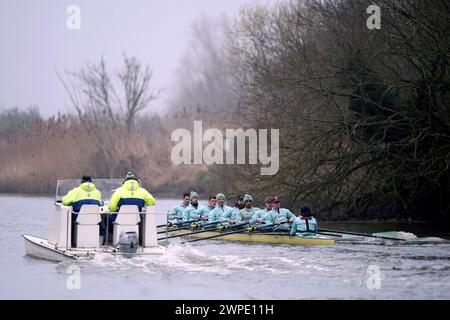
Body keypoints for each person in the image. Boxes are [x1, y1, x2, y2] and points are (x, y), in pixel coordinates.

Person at [107, 172, 156, 239]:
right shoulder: (143, 191)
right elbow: (152, 203)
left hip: (120, 219)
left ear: (125, 182)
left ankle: (111, 238)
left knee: (107, 219)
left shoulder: (119, 191)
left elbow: (111, 208)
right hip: (136, 220)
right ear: (137, 181)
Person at [62, 175, 102, 246]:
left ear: (81, 182)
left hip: (79, 219)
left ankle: (71, 243)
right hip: (94, 220)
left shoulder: (75, 191)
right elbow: (101, 202)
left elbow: (65, 201)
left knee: (70, 219)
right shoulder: (97, 192)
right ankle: (101, 243)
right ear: (91, 182)